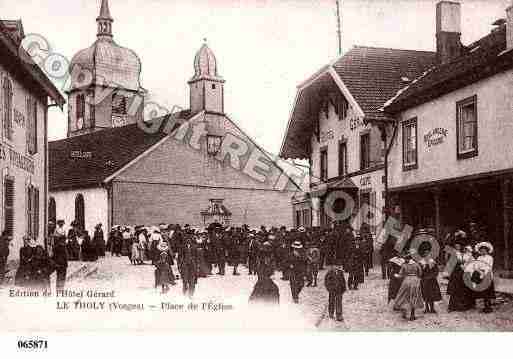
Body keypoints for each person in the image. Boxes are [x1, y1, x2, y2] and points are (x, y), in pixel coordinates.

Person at [393, 249, 424, 321]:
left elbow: (401, 275)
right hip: (415, 281)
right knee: (414, 296)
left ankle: (404, 313)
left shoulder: (404, 265)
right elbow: (420, 273)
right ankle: (412, 314)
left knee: (404, 296)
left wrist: (396, 275)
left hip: (406, 281)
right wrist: (416, 277)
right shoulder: (416, 264)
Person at [447, 240, 475, 312]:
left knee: (462, 289)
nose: (457, 247)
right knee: (454, 289)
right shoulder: (453, 253)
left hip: (461, 273)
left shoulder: (462, 254)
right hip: (455, 273)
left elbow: (467, 261)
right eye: (456, 246)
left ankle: (462, 306)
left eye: (458, 246)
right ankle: (452, 306)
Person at [473, 242, 495, 313]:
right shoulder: (479, 257)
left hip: (487, 274)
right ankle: (484, 305)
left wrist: (484, 273)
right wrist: (479, 272)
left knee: (487, 290)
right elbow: (476, 266)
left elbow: (489, 267)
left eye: (484, 250)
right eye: (481, 250)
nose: (483, 251)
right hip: (480, 274)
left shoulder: (490, 258)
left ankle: (488, 306)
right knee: (483, 291)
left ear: (487, 250)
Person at [419, 249, 442, 314]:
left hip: (432, 280)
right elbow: (419, 271)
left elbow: (436, 271)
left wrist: (432, 276)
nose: (427, 255)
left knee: (432, 295)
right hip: (424, 280)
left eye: (428, 254)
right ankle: (426, 308)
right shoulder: (421, 262)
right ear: (423, 255)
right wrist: (422, 276)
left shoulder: (433, 262)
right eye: (425, 254)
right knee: (425, 294)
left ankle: (432, 308)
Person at [324, 258, 346, 322]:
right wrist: (329, 288)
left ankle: (339, 314)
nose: (337, 267)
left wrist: (343, 288)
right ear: (332, 266)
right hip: (332, 290)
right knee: (331, 301)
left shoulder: (340, 273)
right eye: (335, 266)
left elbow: (343, 281)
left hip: (339, 290)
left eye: (338, 266)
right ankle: (331, 312)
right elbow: (326, 282)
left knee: (339, 302)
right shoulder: (329, 273)